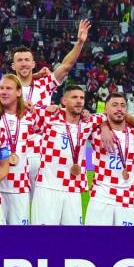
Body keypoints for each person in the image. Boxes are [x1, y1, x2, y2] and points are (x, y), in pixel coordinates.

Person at [32, 85, 103, 225]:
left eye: (82, 98)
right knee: (43, 236)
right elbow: (26, 106)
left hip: (73, 189)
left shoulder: (88, 123)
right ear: (64, 101)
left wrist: (105, 127)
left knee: (73, 236)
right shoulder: (50, 117)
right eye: (74, 97)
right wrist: (48, 108)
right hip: (48, 187)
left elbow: (112, 114)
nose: (79, 101)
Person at [86, 92, 134, 227]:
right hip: (100, 198)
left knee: (124, 241)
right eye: (115, 105)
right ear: (106, 108)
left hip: (127, 199)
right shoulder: (95, 132)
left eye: (123, 105)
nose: (119, 109)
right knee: (95, 240)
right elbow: (82, 116)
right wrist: (103, 125)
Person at [0, 74, 40, 225]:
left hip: (20, 187)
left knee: (20, 236)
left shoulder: (30, 117)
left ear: (19, 92)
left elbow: (58, 120)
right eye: (1, 88)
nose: (4, 92)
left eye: (9, 88)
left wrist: (56, 107)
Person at [9, 20, 91, 107]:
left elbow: (65, 67)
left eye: (27, 60)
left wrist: (79, 43)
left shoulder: (45, 84)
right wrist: (35, 76)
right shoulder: (6, 88)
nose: (24, 64)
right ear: (13, 66)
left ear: (33, 64)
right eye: (19, 60)